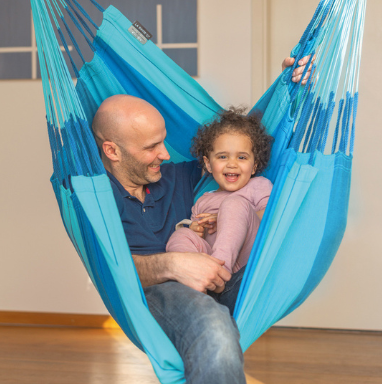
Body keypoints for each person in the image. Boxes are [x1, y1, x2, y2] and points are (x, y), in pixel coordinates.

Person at [91, 57, 310, 383]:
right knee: (214, 327)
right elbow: (108, 268)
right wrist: (172, 265)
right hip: (159, 293)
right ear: (112, 151)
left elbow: (236, 144)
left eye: (163, 141)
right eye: (152, 147)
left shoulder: (177, 176)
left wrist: (290, 90)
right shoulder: (95, 198)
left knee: (285, 263)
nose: (166, 155)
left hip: (223, 272)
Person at [166, 107, 274, 275]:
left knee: (234, 204)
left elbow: (271, 216)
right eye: (223, 157)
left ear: (255, 166)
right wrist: (196, 229)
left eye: (242, 157)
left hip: (246, 259)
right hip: (209, 259)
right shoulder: (203, 200)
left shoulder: (258, 185)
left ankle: (220, 270)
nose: (232, 164)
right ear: (208, 164)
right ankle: (193, 274)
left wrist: (225, 216)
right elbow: (198, 236)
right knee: (181, 235)